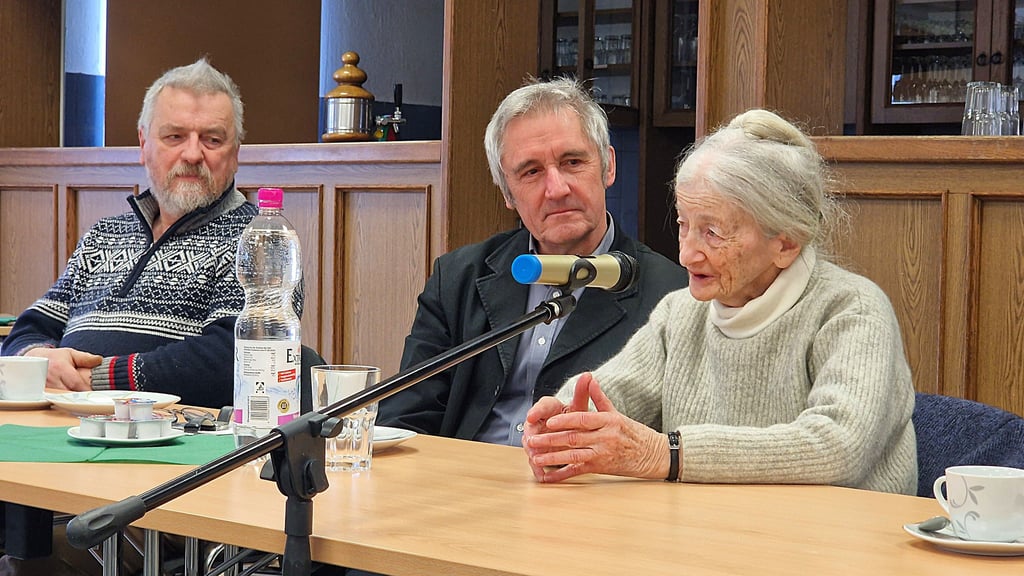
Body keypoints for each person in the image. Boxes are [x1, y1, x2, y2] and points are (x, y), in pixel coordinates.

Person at [522, 109, 917, 495]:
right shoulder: (680, 314)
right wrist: (564, 425)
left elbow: (838, 446)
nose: (687, 255)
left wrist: (669, 454)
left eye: (712, 232)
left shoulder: (852, 309)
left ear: (786, 242)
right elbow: (614, 392)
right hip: (711, 539)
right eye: (683, 225)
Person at [376, 78, 688, 446]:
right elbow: (405, 418)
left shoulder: (672, 295)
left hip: (586, 492)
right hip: (464, 486)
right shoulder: (458, 278)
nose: (556, 189)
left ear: (608, 167)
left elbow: (670, 443)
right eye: (531, 172)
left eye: (572, 162)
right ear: (508, 192)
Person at [0, 57, 280, 410]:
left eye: (212, 139)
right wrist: (41, 359)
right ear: (143, 144)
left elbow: (232, 359)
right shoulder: (105, 235)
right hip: (62, 424)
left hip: (178, 441)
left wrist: (95, 381)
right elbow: (28, 329)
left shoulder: (260, 241)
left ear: (236, 153)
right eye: (174, 136)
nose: (192, 154)